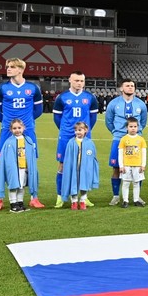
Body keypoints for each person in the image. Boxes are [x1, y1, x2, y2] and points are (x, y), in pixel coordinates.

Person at [0, 58, 44, 210]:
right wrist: (10, 126)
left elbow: (38, 111)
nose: (8, 69)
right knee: (2, 164)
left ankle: (34, 197)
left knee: (30, 165)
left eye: (12, 67)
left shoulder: (33, 88)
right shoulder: (1, 88)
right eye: (8, 66)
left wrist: (25, 125)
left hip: (28, 133)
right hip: (7, 134)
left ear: (21, 70)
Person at [53, 71, 99, 208]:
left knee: (84, 166)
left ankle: (84, 197)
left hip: (84, 137)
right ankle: (60, 196)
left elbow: (93, 119)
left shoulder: (90, 98)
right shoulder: (62, 97)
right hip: (66, 136)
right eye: (77, 80)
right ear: (70, 81)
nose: (79, 83)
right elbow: (57, 119)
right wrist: (65, 129)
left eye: (81, 81)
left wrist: (85, 131)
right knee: (62, 165)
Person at [105, 79, 148, 206]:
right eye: (127, 86)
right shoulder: (113, 103)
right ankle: (116, 196)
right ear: (121, 88)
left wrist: (137, 133)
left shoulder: (141, 104)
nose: (130, 88)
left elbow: (143, 121)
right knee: (116, 167)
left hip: (136, 141)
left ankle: (137, 196)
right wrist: (115, 132)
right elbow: (109, 120)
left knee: (138, 168)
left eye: (132, 86)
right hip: (119, 139)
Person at [0, 118, 39, 212]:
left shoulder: (28, 140)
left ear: (23, 128)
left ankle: (20, 203)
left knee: (21, 186)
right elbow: (6, 158)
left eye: (19, 127)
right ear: (11, 130)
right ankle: (13, 204)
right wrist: (11, 167)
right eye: (14, 128)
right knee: (13, 185)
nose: (17, 130)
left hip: (24, 167)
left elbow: (31, 154)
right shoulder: (9, 142)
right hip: (14, 168)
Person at [59, 121, 99, 210]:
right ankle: (74, 201)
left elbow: (93, 157)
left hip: (85, 169)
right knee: (74, 183)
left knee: (84, 184)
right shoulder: (71, 142)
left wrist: (91, 167)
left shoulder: (90, 143)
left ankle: (83, 201)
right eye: (76, 130)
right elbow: (68, 157)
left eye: (80, 130)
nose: (78, 132)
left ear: (86, 130)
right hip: (74, 168)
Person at [117, 117, 148, 208]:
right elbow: (120, 153)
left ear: (138, 127)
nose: (133, 128)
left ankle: (136, 200)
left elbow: (143, 152)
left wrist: (143, 165)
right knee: (126, 183)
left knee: (136, 183)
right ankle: (125, 201)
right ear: (127, 127)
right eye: (131, 126)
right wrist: (121, 165)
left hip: (137, 165)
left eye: (135, 126)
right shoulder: (123, 139)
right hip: (126, 164)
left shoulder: (141, 139)